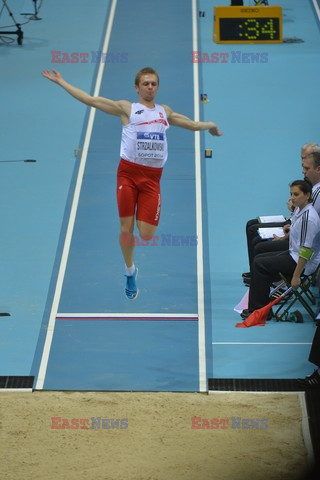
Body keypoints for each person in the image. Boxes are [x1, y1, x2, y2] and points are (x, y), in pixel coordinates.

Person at [42, 67, 222, 300]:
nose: (149, 87)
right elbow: (91, 100)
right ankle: (129, 271)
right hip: (127, 174)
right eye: (145, 84)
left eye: (153, 84)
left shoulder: (164, 112)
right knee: (126, 229)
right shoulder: (127, 109)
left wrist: (211, 125)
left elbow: (193, 125)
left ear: (157, 87)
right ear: (137, 87)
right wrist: (62, 82)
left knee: (146, 234)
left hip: (152, 179)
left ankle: (135, 250)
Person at [243, 143, 320, 285]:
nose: (302, 169)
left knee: (258, 243)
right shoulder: (310, 186)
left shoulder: (316, 194)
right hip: (295, 234)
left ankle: (266, 280)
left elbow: (308, 229)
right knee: (252, 226)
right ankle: (258, 277)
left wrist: (296, 275)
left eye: (306, 164)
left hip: (301, 250)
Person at [241, 180, 320, 319]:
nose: (292, 198)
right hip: (294, 254)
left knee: (260, 264)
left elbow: (306, 250)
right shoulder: (302, 211)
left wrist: (296, 276)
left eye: (296, 194)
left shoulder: (309, 218)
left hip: (302, 264)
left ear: (307, 195)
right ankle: (261, 308)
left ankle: (259, 311)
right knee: (259, 259)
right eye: (291, 194)